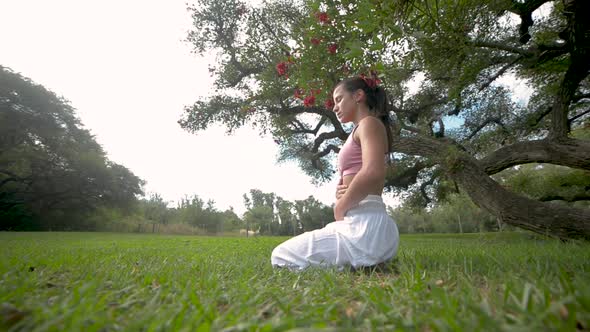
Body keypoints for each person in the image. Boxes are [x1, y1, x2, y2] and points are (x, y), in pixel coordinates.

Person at [270, 76, 400, 270]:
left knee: (281, 256)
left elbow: (373, 171)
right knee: (287, 254)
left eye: (339, 99)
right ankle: (365, 264)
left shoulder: (369, 123)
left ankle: (362, 262)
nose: (334, 107)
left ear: (358, 96)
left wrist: (341, 206)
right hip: (359, 222)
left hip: (364, 225)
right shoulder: (361, 128)